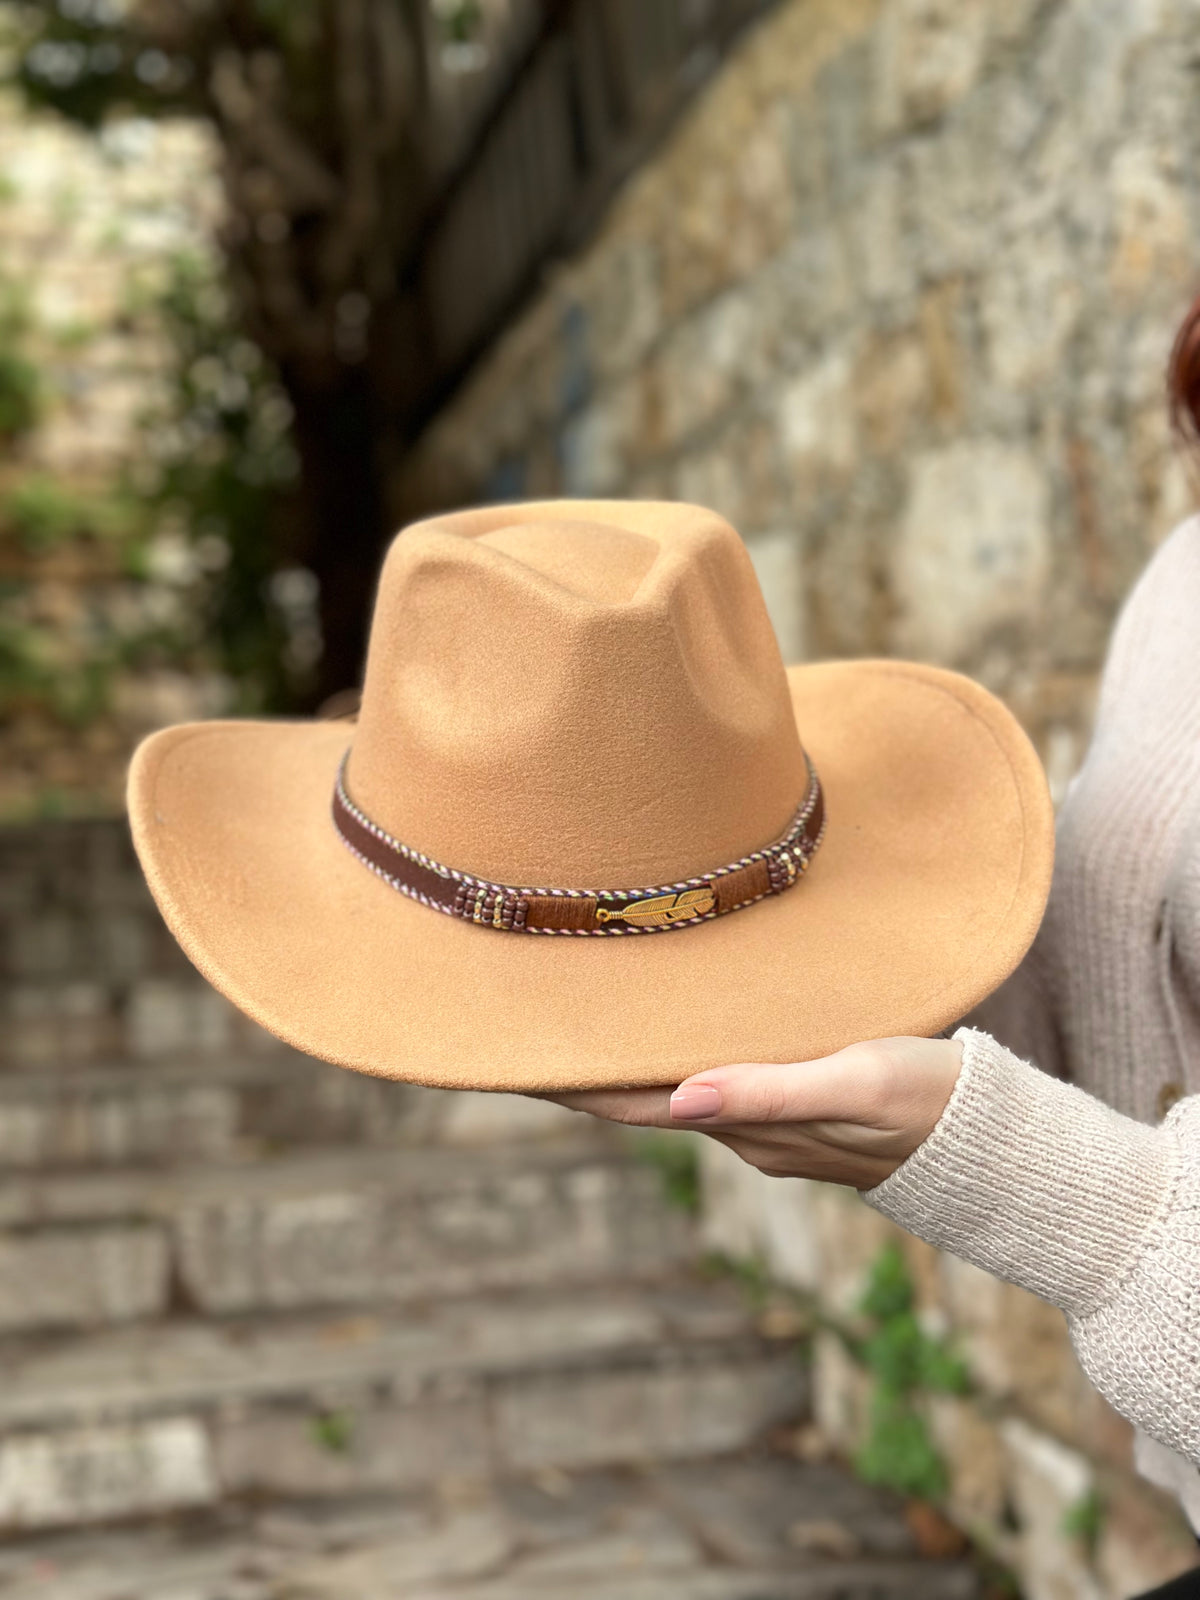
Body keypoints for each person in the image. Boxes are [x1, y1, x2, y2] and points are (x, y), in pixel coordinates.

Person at [547, 311, 1200, 1600]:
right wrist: (756, 953)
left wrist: (1066, 1196)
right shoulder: (1187, 581)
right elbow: (1126, 951)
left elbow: (1108, 1175)